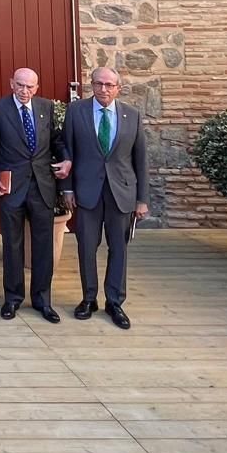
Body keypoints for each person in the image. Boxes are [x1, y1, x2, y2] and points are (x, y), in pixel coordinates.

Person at [62, 67, 148, 329]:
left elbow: (141, 159)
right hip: (87, 192)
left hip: (121, 192)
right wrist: (67, 188)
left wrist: (141, 199)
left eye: (109, 85)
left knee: (118, 249)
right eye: (99, 84)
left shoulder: (131, 115)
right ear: (91, 85)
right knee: (86, 247)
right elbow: (67, 149)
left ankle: (114, 301)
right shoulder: (76, 111)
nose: (103, 89)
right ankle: (89, 298)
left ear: (118, 88)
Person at [0, 67, 72, 324]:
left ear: (37, 87)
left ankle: (42, 300)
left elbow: (56, 141)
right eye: (21, 85)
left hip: (42, 187)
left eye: (30, 87)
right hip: (11, 187)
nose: (25, 91)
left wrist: (66, 159)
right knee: (12, 245)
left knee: (43, 246)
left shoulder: (46, 107)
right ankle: (12, 299)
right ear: (12, 83)